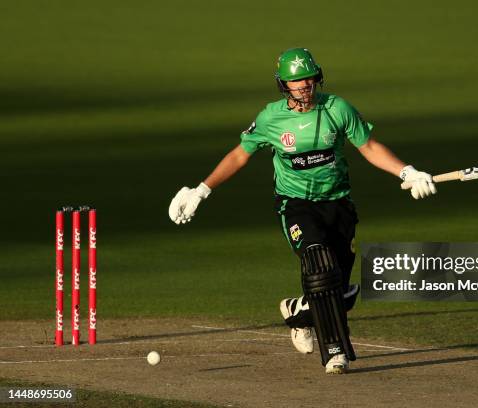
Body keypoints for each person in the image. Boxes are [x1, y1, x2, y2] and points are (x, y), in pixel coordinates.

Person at [168, 48, 436, 374]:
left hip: (338, 203)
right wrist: (202, 190)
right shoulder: (271, 118)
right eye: (296, 81)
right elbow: (240, 154)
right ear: (284, 84)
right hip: (296, 205)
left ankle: (298, 312)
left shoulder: (337, 109)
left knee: (339, 292)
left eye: (308, 79)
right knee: (319, 265)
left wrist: (407, 172)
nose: (303, 86)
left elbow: (369, 146)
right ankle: (336, 351)